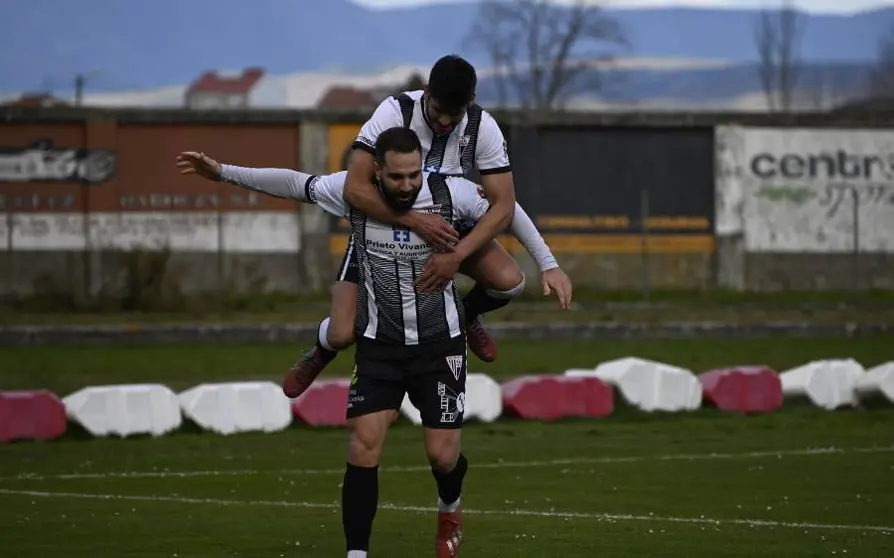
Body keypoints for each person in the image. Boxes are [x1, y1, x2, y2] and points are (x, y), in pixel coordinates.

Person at [175, 127, 537, 556]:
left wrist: (547, 264)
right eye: (397, 177)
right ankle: (356, 552)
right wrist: (223, 173)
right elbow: (293, 182)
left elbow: (506, 209)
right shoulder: (352, 193)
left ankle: (450, 507)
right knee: (364, 444)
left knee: (443, 457)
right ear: (377, 171)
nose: (406, 185)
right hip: (379, 343)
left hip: (439, 344)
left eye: (413, 176)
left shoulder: (451, 193)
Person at [284, 54, 549, 397]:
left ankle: (465, 316)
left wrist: (546, 263)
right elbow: (355, 187)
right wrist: (413, 220)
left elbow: (503, 206)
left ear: (470, 102)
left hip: (444, 231)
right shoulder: (394, 112)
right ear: (425, 91)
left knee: (509, 282)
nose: (442, 121)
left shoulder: (481, 127)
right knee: (341, 333)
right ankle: (322, 349)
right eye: (437, 110)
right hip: (382, 229)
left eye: (453, 115)